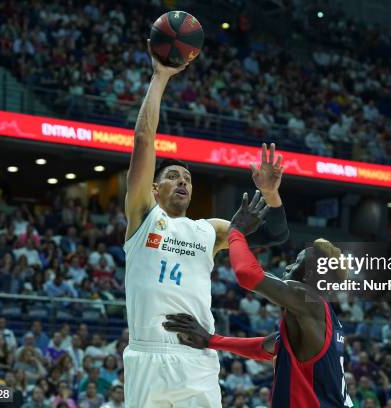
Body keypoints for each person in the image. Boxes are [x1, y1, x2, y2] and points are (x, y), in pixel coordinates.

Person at [122, 40, 289, 408]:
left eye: (188, 178)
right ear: (154, 188)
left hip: (195, 354)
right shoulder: (142, 216)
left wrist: (271, 194)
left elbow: (277, 235)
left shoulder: (210, 230)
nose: (183, 181)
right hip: (146, 354)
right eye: (173, 176)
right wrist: (160, 76)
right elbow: (142, 140)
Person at [164, 194, 352, 407]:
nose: (288, 266)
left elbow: (247, 274)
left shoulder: (308, 300)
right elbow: (265, 348)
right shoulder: (322, 321)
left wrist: (236, 232)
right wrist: (211, 340)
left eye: (298, 263)